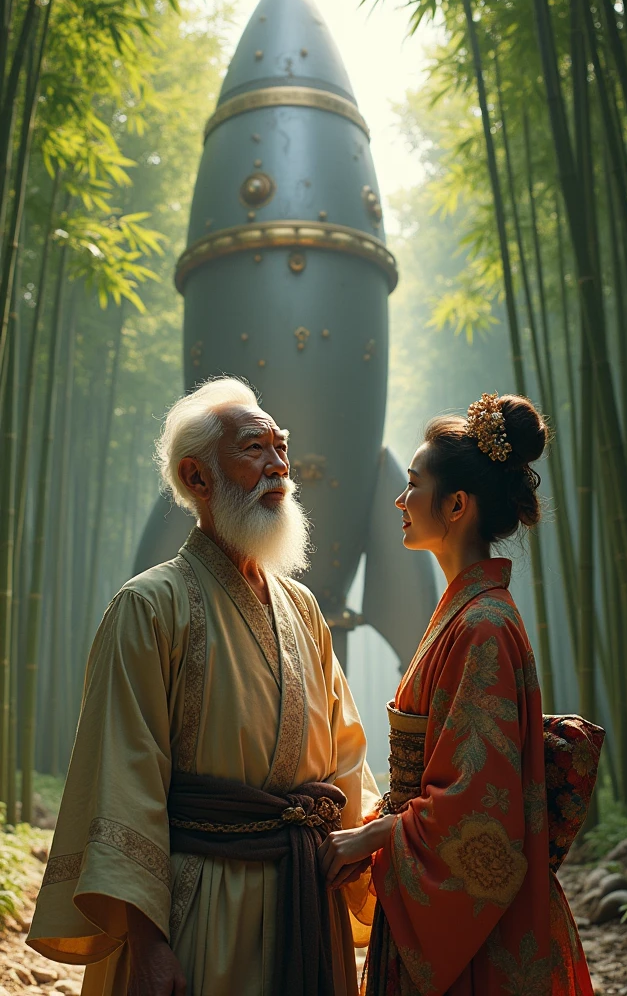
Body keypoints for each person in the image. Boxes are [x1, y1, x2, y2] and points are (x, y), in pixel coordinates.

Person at [28, 375, 378, 996]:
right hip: (198, 908)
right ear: (196, 478)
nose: (279, 467)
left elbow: (347, 760)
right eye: (254, 449)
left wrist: (376, 849)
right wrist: (149, 943)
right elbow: (122, 781)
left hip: (304, 898)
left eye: (282, 447)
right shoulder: (148, 607)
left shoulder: (302, 607)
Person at [318, 393, 596, 995]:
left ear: (457, 506)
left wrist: (372, 835)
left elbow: (480, 805)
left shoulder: (482, 626)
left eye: (413, 485)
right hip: (432, 882)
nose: (399, 498)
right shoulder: (469, 614)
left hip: (474, 927)